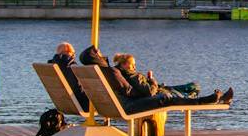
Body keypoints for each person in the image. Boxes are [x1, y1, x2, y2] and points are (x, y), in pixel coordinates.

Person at [82, 45, 233, 110]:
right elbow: (144, 92)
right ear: (127, 64)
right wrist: (152, 82)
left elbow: (129, 89)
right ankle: (205, 100)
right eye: (99, 54)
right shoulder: (117, 72)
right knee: (167, 96)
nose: (102, 55)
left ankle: (212, 99)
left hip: (119, 104)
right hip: (128, 106)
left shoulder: (108, 71)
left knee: (168, 92)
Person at [48, 42, 89, 110]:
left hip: (63, 103)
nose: (74, 55)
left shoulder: (51, 66)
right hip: (80, 104)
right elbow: (77, 88)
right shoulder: (72, 68)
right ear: (69, 53)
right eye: (73, 53)